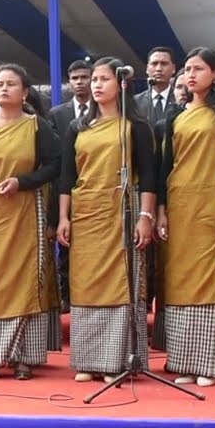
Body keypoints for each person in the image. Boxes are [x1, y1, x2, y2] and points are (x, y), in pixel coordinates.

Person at [57, 57, 157, 382]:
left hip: (121, 211)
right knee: (86, 285)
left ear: (121, 84)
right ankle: (88, 360)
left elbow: (150, 176)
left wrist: (145, 216)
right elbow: (67, 177)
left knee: (119, 285)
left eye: (104, 79)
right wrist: (63, 217)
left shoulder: (135, 126)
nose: (97, 85)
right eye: (94, 79)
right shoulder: (78, 127)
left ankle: (117, 360)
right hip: (85, 213)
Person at [0, 63, 60, 380]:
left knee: (25, 279)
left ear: (25, 91)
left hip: (25, 212)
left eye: (11, 84)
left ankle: (24, 359)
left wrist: (23, 182)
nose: (4, 89)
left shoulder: (37, 126)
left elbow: (54, 166)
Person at [155, 47, 215, 388]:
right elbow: (166, 167)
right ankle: (187, 361)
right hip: (181, 206)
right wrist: (162, 210)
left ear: (213, 74)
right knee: (181, 281)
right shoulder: (175, 118)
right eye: (188, 70)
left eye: (199, 69)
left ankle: (212, 364)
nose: (191, 75)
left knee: (213, 281)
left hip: (213, 203)